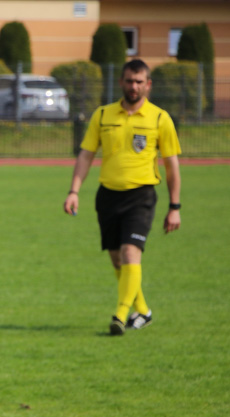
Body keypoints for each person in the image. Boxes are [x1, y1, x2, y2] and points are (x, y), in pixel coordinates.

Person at [64, 58, 181, 335]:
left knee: (131, 253)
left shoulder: (160, 118)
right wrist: (73, 191)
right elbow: (86, 155)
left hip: (141, 196)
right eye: (129, 81)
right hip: (108, 196)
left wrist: (174, 206)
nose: (134, 86)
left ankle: (119, 315)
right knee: (118, 260)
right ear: (121, 82)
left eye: (140, 82)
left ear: (148, 85)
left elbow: (171, 166)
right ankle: (143, 311)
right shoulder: (103, 115)